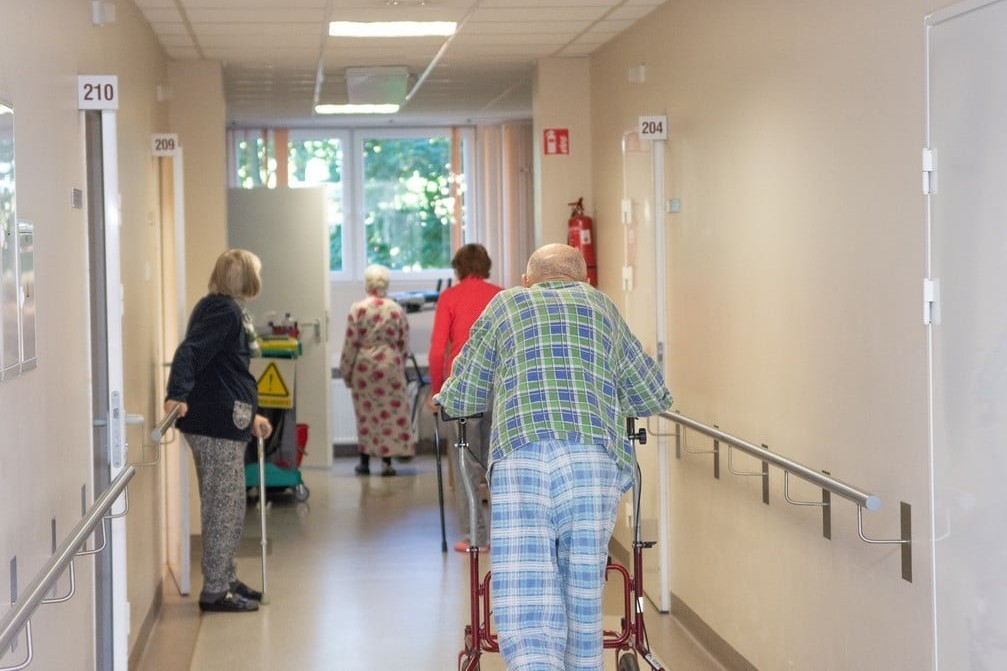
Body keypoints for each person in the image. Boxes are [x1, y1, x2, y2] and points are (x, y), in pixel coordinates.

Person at [438, 243, 672, 670]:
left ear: (527, 280)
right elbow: (650, 392)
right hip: (590, 461)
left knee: (527, 588)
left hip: (521, 457)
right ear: (583, 280)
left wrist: (448, 398)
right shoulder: (601, 307)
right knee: (583, 586)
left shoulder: (506, 304)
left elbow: (464, 392)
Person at [164, 248, 273, 613]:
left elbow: (223, 370)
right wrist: (175, 395)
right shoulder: (225, 311)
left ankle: (225, 577)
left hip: (226, 417)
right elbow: (190, 353)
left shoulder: (218, 307)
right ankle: (215, 589)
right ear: (247, 279)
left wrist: (252, 413)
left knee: (228, 503)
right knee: (223, 506)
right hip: (216, 423)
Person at [426, 244, 503, 552]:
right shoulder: (502, 296)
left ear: (457, 268)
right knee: (499, 462)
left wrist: (436, 391)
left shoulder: (449, 298)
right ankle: (509, 534)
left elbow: (436, 352)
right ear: (486, 265)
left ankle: (476, 538)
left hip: (463, 390)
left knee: (464, 462)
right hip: (499, 387)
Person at [339, 264, 415, 476]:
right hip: (390, 366)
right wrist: (397, 361)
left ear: (367, 284)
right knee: (389, 414)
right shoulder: (395, 309)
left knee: (366, 415)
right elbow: (403, 341)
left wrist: (346, 371)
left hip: (364, 368)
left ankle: (364, 462)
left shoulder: (358, 309)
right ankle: (387, 463)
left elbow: (351, 343)